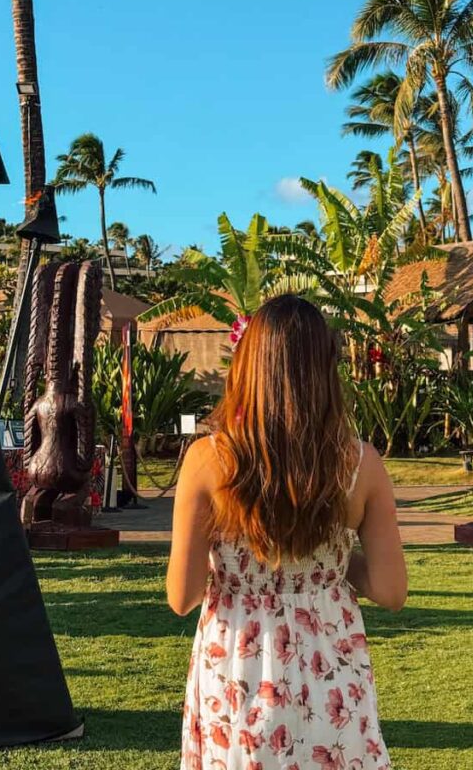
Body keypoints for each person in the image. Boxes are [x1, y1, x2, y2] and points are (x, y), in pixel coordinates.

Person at [167, 294, 407, 770]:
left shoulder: (207, 461)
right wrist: (330, 564)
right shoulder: (361, 464)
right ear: (325, 369)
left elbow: (182, 594)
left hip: (237, 665)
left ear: (247, 363)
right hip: (330, 666)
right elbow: (390, 590)